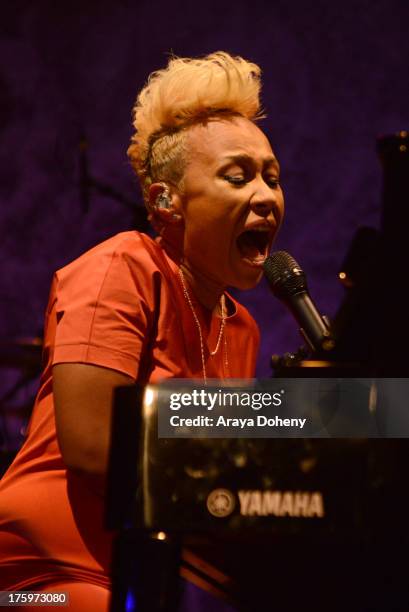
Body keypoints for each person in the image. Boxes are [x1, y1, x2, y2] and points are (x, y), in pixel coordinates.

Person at [0, 52, 284, 609]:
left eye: (272, 178)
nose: (267, 196)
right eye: (238, 176)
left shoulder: (241, 325)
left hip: (159, 566)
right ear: (164, 200)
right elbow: (93, 450)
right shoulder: (122, 268)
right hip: (42, 573)